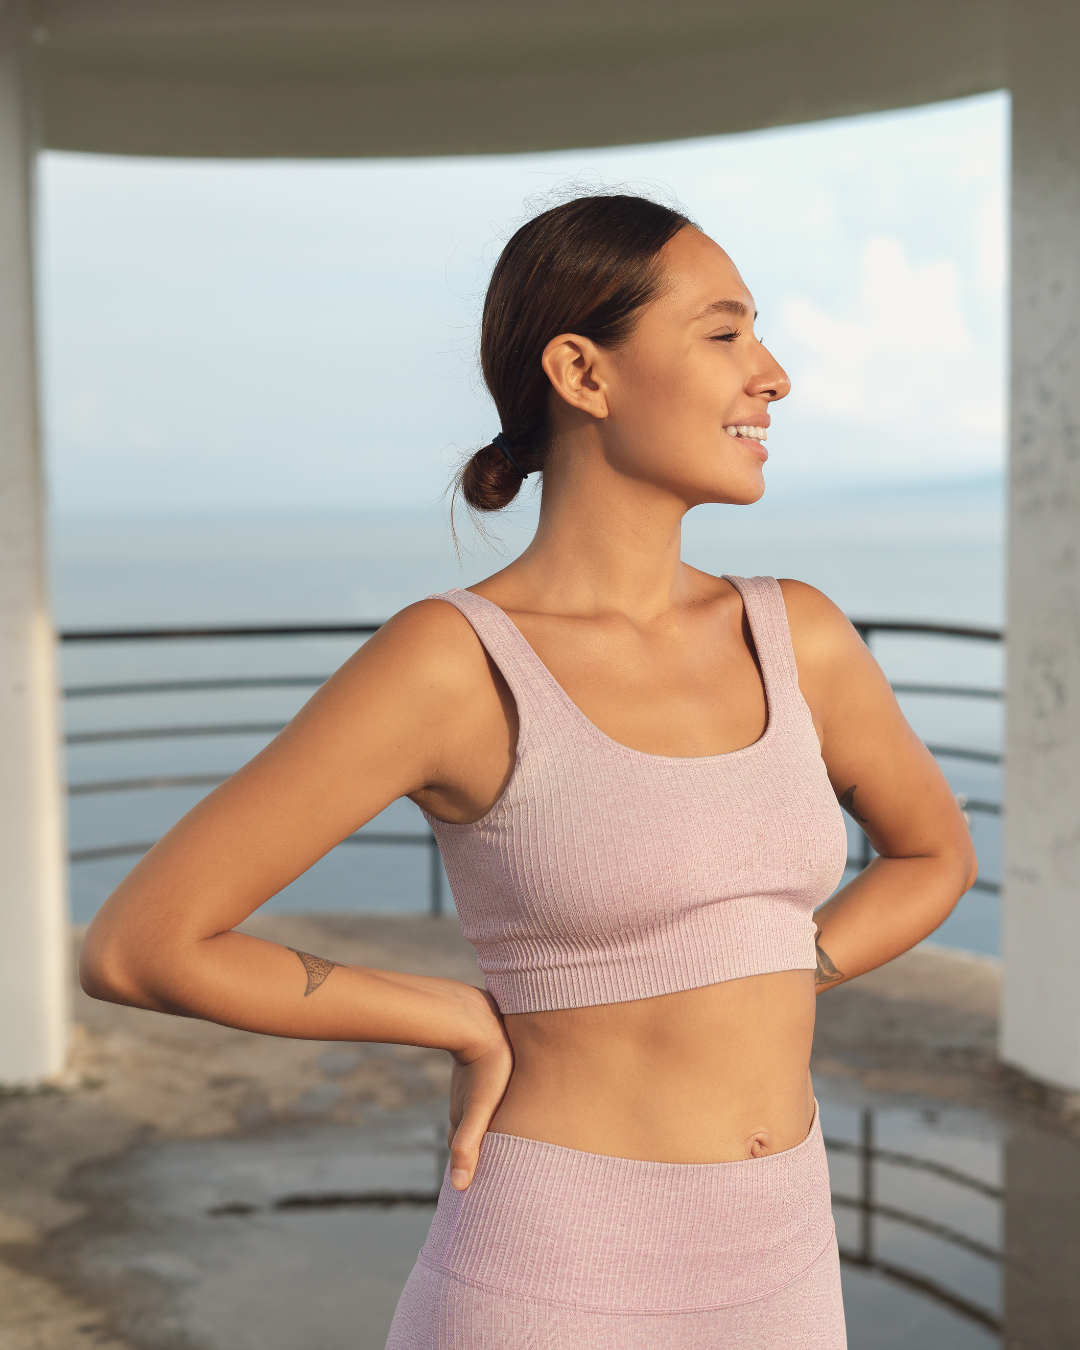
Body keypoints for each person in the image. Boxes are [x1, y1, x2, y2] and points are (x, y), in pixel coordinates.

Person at [80, 194, 977, 1348]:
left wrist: (777, 963)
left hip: (785, 1265)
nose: (775, 376)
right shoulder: (455, 665)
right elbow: (140, 944)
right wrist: (452, 1016)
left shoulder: (797, 635)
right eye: (724, 333)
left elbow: (934, 853)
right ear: (581, 372)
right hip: (556, 1270)